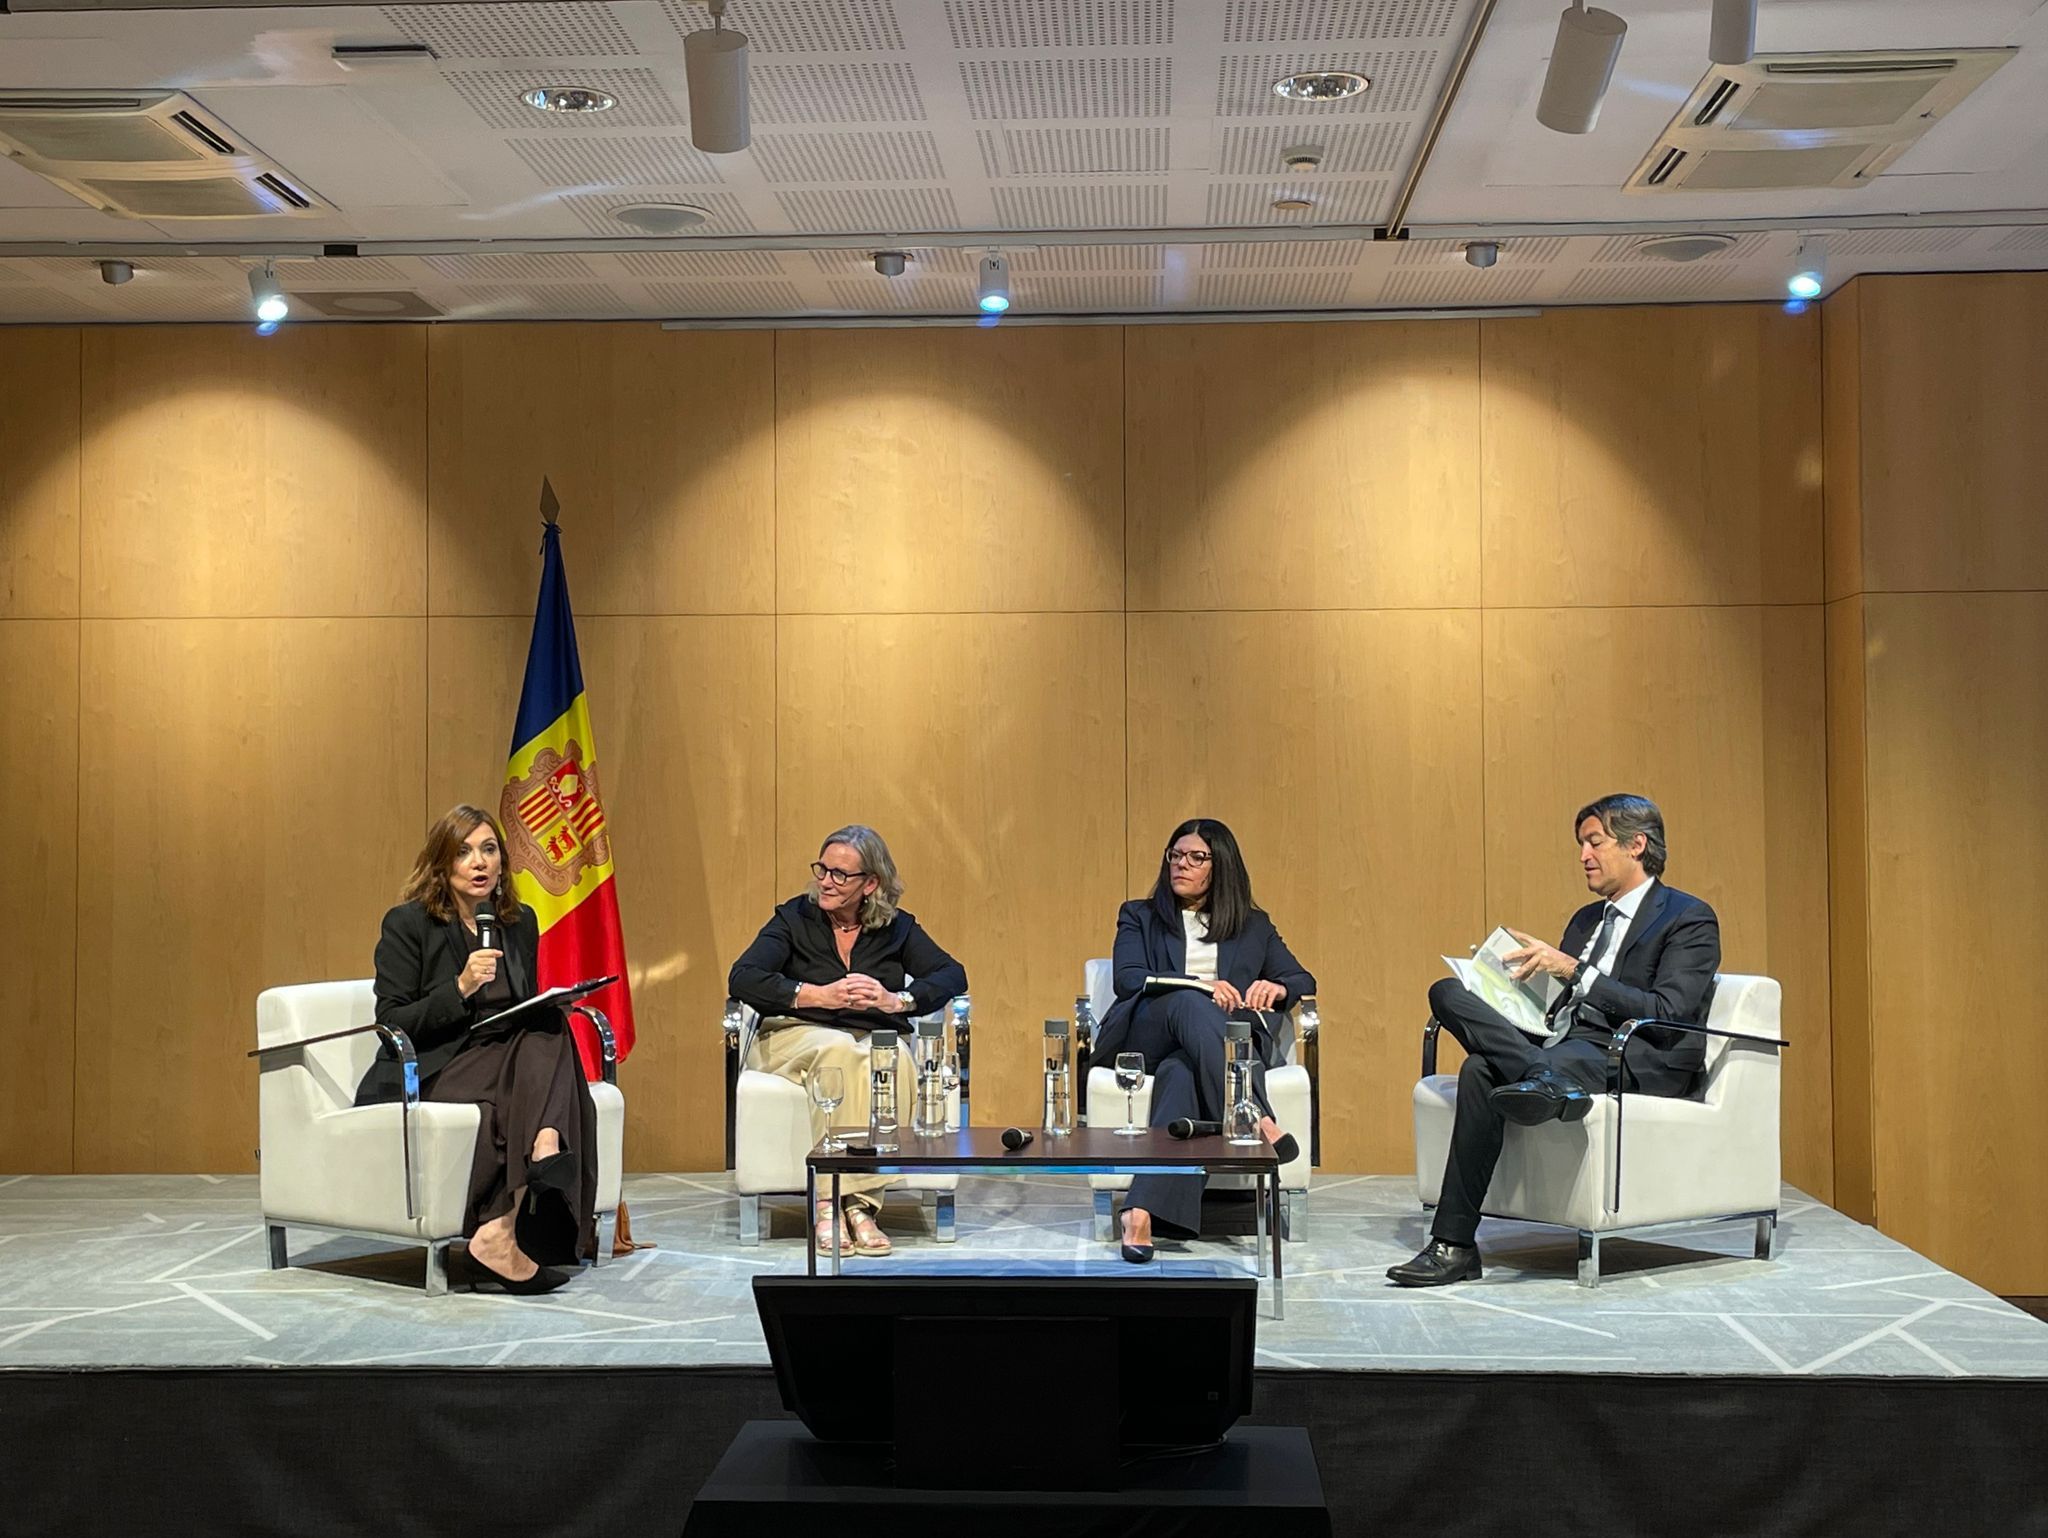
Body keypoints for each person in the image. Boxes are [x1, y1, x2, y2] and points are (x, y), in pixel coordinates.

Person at [1388, 793, 1721, 1287]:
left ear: (1637, 845)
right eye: (1580, 844)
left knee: (1481, 1069)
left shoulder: (1687, 917)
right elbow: (1560, 1008)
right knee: (1447, 992)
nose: (1583, 855)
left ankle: (1454, 1244)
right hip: (1563, 1047)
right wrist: (1509, 993)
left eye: (1594, 842)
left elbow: (1668, 1014)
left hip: (1634, 1055)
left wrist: (1572, 969)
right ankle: (1542, 1077)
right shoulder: (1586, 920)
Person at [358, 804, 600, 1294]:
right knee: (548, 1043)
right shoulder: (408, 924)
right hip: (434, 1065)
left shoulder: (518, 921)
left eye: (489, 849)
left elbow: (522, 1006)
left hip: (502, 1062)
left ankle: (501, 1228)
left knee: (549, 1020)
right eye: (465, 851)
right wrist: (460, 987)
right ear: (442, 864)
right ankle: (545, 1146)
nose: (479, 862)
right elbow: (392, 1020)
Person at [728, 825, 968, 1258]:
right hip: (792, 1033)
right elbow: (743, 977)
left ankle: (856, 1205)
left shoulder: (897, 928)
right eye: (822, 869)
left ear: (870, 884)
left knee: (888, 1058)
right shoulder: (793, 918)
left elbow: (952, 974)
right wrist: (814, 994)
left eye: (840, 874)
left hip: (868, 1034)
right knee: (841, 1052)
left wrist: (898, 1000)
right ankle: (828, 1203)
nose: (825, 881)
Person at [1087, 818, 1314, 1264]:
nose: (1181, 864)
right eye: (1175, 855)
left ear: (1220, 865)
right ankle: (1257, 1119)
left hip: (1209, 1049)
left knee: (1182, 1074)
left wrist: (1279, 989)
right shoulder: (1140, 915)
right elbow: (1129, 979)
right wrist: (1200, 986)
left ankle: (1141, 1212)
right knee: (1189, 1005)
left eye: (1195, 857)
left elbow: (1301, 976)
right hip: (1147, 1033)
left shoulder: (1252, 925)